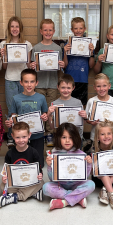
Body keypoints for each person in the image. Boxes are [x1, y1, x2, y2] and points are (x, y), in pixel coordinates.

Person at [29, 19, 67, 147]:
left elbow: (60, 67)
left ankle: (50, 133)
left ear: (54, 31)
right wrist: (32, 65)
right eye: (45, 30)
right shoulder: (36, 48)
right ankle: (39, 133)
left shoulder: (57, 48)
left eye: (50, 30)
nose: (48, 32)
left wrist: (61, 65)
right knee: (39, 110)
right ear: (41, 31)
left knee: (50, 110)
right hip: (38, 85)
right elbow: (30, 66)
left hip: (52, 84)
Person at [43, 123, 95, 210]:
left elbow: (85, 177)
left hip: (77, 184)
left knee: (91, 184)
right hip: (60, 185)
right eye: (64, 137)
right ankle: (77, 198)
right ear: (58, 138)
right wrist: (49, 166)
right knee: (46, 187)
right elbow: (52, 179)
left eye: (70, 137)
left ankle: (64, 202)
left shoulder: (81, 154)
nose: (67, 140)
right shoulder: (54, 154)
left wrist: (89, 163)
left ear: (75, 138)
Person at [0, 16, 33, 148]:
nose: (14, 29)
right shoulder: (3, 44)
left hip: (24, 81)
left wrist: (34, 65)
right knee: (11, 109)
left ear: (21, 29)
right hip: (10, 79)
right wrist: (4, 56)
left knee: (25, 108)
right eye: (12, 26)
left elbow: (28, 65)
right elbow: (4, 67)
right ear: (9, 28)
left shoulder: (27, 44)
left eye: (17, 26)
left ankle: (25, 137)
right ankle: (11, 137)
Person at [5, 69, 49, 169]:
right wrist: (10, 123)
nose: (29, 84)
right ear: (21, 83)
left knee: (38, 164)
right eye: (26, 81)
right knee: (23, 163)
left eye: (32, 81)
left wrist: (45, 117)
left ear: (36, 83)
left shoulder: (41, 98)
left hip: (37, 135)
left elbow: (45, 114)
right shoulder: (16, 98)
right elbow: (13, 116)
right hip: (21, 136)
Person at [0, 122, 44, 208]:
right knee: (2, 185)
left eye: (24, 137)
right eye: (17, 137)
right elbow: (6, 170)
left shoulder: (34, 152)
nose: (21, 140)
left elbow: (39, 169)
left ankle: (13, 197)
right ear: (12, 136)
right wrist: (5, 177)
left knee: (41, 182)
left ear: (29, 135)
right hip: (16, 182)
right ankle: (33, 194)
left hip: (29, 182)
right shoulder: (9, 153)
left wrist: (40, 175)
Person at [91, 120, 113, 209]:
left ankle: (104, 190)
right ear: (98, 137)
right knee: (101, 169)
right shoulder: (93, 148)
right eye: (102, 134)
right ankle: (111, 193)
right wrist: (93, 166)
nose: (106, 136)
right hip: (98, 179)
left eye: (109, 133)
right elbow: (91, 171)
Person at [63, 17, 95, 106]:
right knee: (68, 104)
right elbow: (64, 65)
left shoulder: (89, 45)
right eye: (76, 28)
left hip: (82, 80)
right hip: (68, 80)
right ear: (72, 29)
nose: (78, 30)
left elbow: (91, 65)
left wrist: (91, 52)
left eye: (81, 28)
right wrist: (65, 52)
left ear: (84, 29)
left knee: (81, 105)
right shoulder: (68, 45)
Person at [48, 74, 88, 144]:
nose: (66, 90)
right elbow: (52, 127)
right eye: (63, 87)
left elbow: (82, 123)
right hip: (61, 139)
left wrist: (85, 117)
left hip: (76, 138)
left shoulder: (78, 102)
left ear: (73, 88)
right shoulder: (54, 104)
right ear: (58, 87)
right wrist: (49, 115)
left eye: (68, 88)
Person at [85, 73, 113, 147]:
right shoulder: (91, 101)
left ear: (109, 86)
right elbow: (86, 119)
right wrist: (91, 122)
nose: (101, 89)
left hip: (111, 137)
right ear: (94, 87)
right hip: (96, 137)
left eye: (104, 85)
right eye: (98, 86)